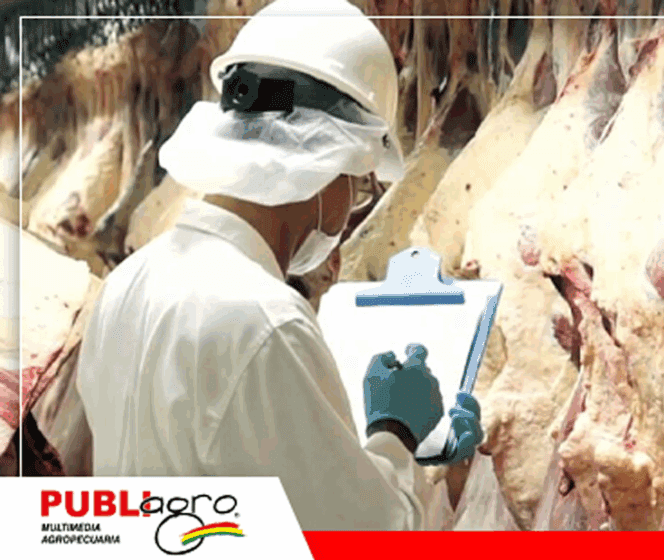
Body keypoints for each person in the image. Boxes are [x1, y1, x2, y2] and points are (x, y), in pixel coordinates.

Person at [75, 0, 483, 531]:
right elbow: (359, 533)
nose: (350, 207)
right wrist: (396, 430)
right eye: (357, 185)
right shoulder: (265, 322)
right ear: (328, 166)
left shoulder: (127, 283)